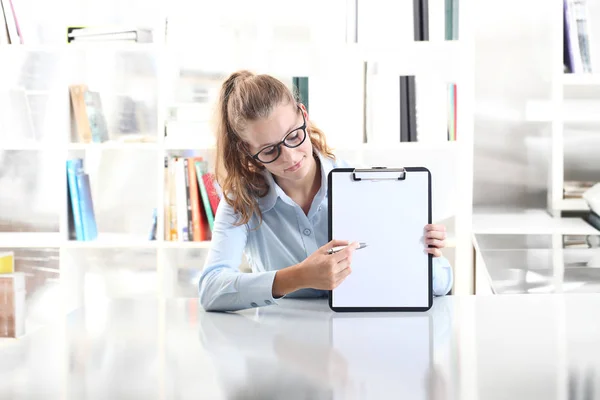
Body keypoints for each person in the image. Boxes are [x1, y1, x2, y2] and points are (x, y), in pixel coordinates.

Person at [199, 70, 453, 312]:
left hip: (358, 341)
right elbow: (211, 289)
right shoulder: (242, 200)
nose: (289, 156)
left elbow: (441, 283)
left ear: (304, 116)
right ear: (247, 150)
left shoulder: (366, 187)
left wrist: (421, 251)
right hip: (282, 344)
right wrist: (298, 277)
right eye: (269, 151)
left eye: (293, 136)